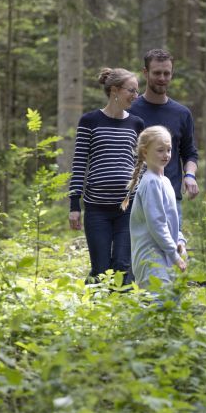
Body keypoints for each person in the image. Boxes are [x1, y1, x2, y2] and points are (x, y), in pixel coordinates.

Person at [68, 67, 144, 283]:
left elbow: (143, 163)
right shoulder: (90, 121)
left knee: (122, 266)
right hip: (96, 210)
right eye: (132, 90)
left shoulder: (136, 124)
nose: (135, 96)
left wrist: (142, 194)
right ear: (114, 90)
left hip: (127, 210)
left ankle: (122, 314)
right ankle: (96, 313)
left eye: (137, 91)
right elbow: (79, 162)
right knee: (100, 270)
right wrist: (74, 205)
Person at [128, 49, 200, 208]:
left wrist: (190, 175)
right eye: (157, 73)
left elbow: (189, 153)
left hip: (170, 198)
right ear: (145, 73)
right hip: (134, 198)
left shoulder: (182, 113)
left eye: (166, 73)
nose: (162, 78)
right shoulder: (129, 111)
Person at [122, 126, 187, 289]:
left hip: (164, 257)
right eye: (160, 150)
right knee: (156, 306)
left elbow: (171, 219)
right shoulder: (151, 182)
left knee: (166, 308)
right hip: (150, 259)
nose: (166, 155)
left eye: (169, 149)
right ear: (144, 152)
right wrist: (174, 255)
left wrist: (179, 240)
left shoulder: (164, 181)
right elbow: (157, 224)